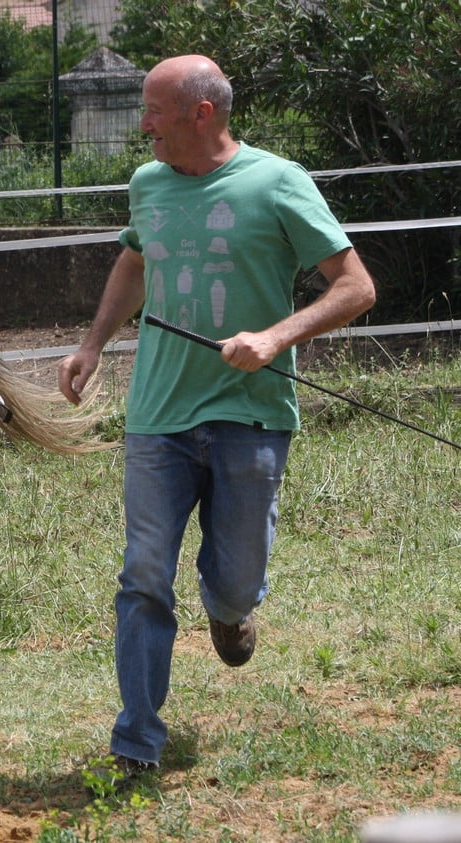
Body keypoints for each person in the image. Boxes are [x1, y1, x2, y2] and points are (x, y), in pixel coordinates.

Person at [58, 55, 376, 782]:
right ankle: (136, 739)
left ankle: (230, 610)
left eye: (154, 111)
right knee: (143, 573)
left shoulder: (277, 182)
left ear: (202, 113)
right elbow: (134, 264)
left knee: (234, 578)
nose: (144, 126)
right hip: (157, 416)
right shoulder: (148, 185)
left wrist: (275, 337)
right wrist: (92, 343)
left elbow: (356, 287)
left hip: (251, 415)